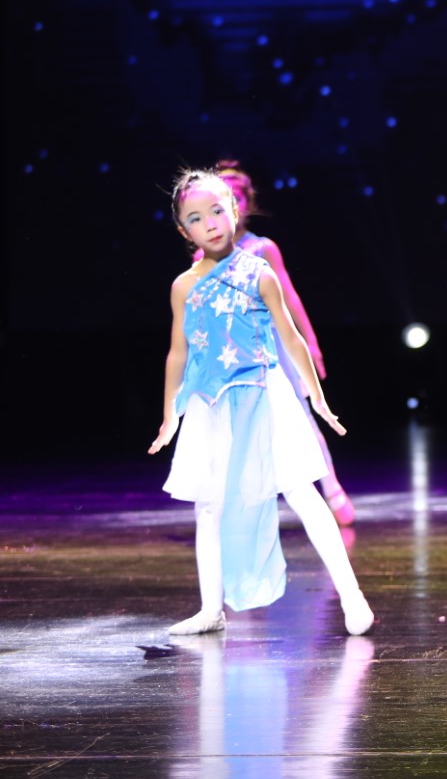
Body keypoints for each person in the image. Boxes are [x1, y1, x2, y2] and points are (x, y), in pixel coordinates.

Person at [151, 169, 373, 637]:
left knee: (301, 491)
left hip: (265, 395)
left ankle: (352, 596)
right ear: (183, 231)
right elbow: (178, 351)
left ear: (234, 211)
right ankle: (211, 608)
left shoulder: (259, 271)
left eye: (217, 210)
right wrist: (171, 413)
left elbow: (290, 338)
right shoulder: (183, 286)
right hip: (211, 403)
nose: (210, 223)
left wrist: (317, 397)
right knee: (209, 505)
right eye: (196, 218)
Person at [201, 161, 357, 525]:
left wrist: (311, 343)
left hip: (271, 348)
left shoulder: (262, 248)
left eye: (237, 198)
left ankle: (332, 490)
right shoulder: (204, 255)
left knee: (301, 417)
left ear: (248, 203)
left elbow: (290, 297)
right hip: (233, 354)